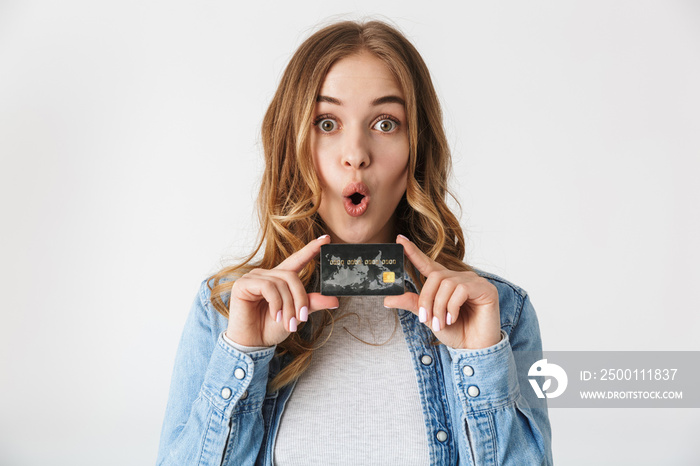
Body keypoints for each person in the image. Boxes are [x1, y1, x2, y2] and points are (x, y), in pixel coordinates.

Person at [156, 18, 552, 466]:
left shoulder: (500, 313)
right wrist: (244, 352)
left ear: (416, 149)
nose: (356, 153)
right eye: (327, 122)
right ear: (293, 143)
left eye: (386, 123)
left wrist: (482, 359)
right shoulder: (223, 312)